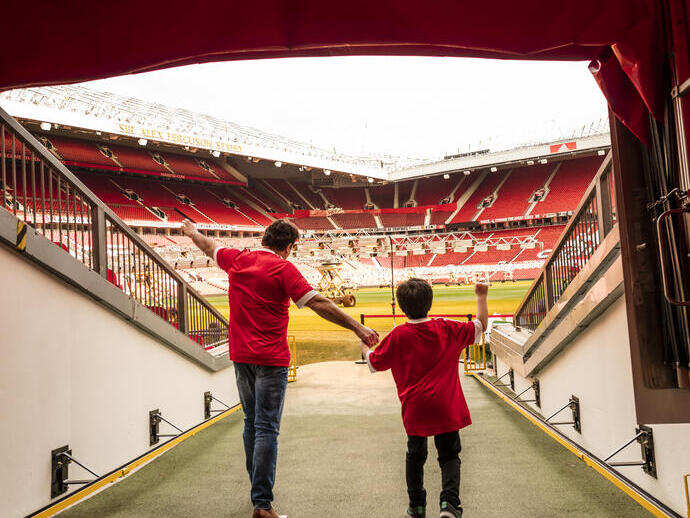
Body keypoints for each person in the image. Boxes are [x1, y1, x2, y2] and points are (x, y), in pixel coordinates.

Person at [181, 219, 378, 518]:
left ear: (264, 238)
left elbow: (209, 246)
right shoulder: (283, 268)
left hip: (242, 358)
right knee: (266, 428)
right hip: (270, 360)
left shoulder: (237, 259)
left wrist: (192, 232)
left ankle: (257, 492)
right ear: (288, 247)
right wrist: (356, 327)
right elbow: (319, 303)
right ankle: (262, 503)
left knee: (252, 423)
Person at [360, 278, 489, 518]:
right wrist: (481, 296)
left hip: (415, 408)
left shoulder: (399, 335)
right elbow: (481, 325)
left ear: (401, 306)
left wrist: (363, 346)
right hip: (446, 406)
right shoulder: (448, 328)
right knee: (449, 454)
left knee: (415, 455)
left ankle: (416, 505)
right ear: (430, 302)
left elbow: (374, 363)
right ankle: (449, 504)